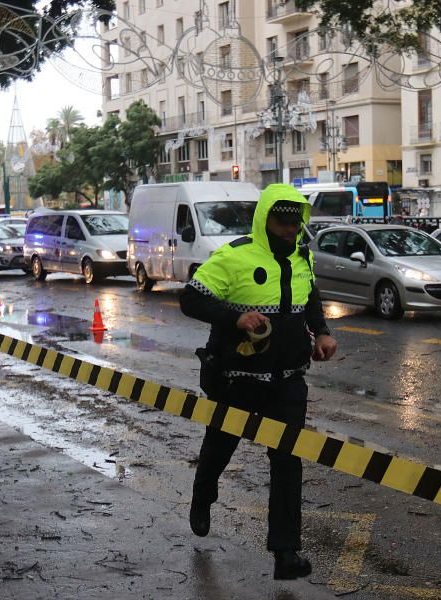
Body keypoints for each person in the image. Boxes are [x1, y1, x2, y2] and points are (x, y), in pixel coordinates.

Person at [180, 183, 338, 581]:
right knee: (220, 447)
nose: (290, 228)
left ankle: (285, 552)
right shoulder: (234, 256)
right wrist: (236, 318)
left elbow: (309, 297)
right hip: (237, 380)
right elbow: (191, 298)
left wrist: (321, 332)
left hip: (287, 382)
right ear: (265, 218)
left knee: (287, 463)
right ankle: (203, 497)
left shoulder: (302, 256)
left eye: (296, 220)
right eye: (283, 220)